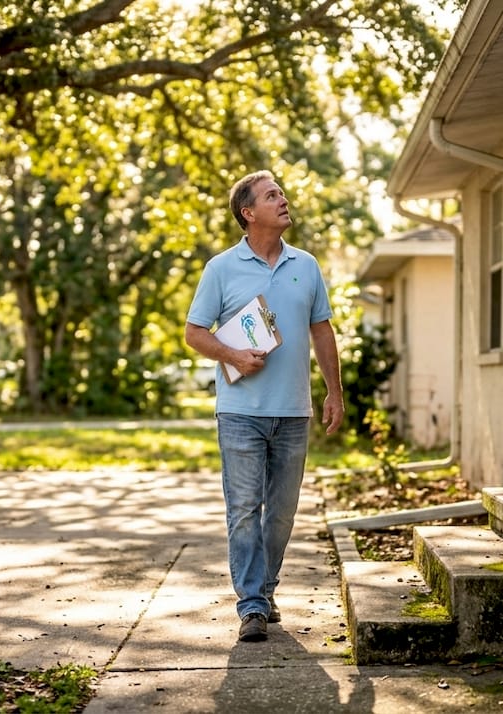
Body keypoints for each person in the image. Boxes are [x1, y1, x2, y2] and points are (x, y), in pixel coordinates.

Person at [184, 170, 344, 643]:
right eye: (271, 195)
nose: (283, 199)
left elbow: (322, 331)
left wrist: (334, 392)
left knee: (282, 512)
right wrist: (232, 354)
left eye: (282, 193)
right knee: (243, 510)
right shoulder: (221, 269)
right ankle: (252, 605)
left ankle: (265, 588)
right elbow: (195, 332)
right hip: (239, 411)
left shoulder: (306, 265)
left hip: (294, 411)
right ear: (248, 213)